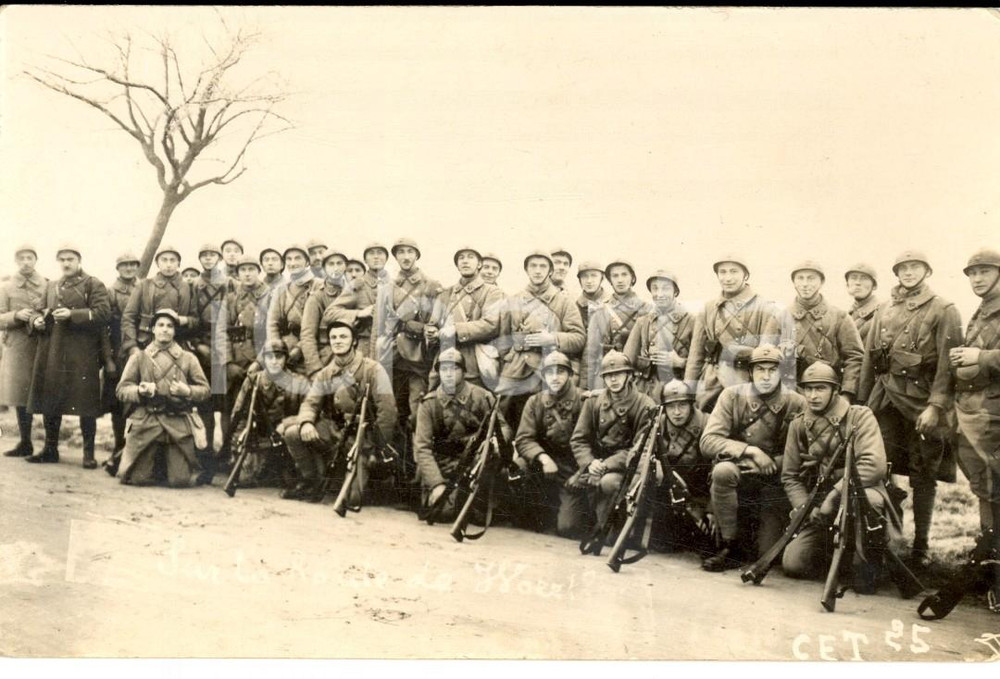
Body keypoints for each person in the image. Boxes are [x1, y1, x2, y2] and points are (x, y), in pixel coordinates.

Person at [858, 250, 963, 567]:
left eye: (914, 267)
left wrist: (936, 406)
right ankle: (888, 537)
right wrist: (863, 407)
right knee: (881, 467)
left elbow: (948, 365)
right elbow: (869, 361)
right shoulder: (885, 309)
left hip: (922, 401)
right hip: (886, 398)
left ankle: (921, 547)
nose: (908, 272)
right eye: (902, 268)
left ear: (927, 271)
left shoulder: (944, 309)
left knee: (923, 475)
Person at [781, 362, 897, 584]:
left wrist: (834, 496)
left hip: (859, 497)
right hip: (819, 503)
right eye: (808, 389)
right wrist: (806, 508)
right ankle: (836, 558)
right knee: (793, 564)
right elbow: (790, 476)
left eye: (821, 388)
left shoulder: (859, 417)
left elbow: (874, 465)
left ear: (835, 390)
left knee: (864, 578)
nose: (813, 396)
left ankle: (867, 559)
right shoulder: (799, 425)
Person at [699, 344, 806, 571]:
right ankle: (729, 544)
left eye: (772, 370)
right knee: (722, 471)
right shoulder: (731, 396)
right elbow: (708, 441)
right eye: (760, 370)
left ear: (781, 373)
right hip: (741, 470)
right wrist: (751, 452)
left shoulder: (796, 402)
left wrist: (773, 464)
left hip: (775, 481)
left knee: (766, 554)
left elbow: (806, 453)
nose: (766, 376)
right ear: (751, 372)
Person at [281, 321, 397, 503]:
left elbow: (387, 412)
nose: (338, 341)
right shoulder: (325, 373)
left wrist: (376, 448)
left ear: (354, 342)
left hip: (362, 438)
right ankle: (312, 480)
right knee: (293, 433)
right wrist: (306, 422)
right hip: (334, 432)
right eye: (333, 337)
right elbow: (310, 403)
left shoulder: (373, 370)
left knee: (352, 499)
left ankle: (371, 481)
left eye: (343, 336)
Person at [25, 245, 111, 468]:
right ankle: (50, 449)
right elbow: (37, 309)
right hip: (53, 350)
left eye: (70, 259)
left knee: (85, 402)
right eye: (62, 259)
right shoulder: (51, 286)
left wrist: (73, 315)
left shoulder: (93, 283)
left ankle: (88, 454)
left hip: (81, 353)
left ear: (79, 260)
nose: (66, 263)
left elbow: (104, 313)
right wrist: (36, 321)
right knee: (50, 399)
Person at [413, 348, 513, 520]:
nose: (449, 374)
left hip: (475, 463)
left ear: (464, 371)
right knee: (443, 513)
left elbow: (503, 426)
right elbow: (422, 448)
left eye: (454, 369)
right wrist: (436, 484)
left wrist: (497, 440)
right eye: (444, 369)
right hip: (443, 465)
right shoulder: (429, 404)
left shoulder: (482, 396)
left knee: (480, 515)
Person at [116, 308, 211, 486]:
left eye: (169, 326)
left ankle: (166, 466)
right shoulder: (139, 357)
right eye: (160, 325)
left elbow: (205, 390)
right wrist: (139, 390)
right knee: (138, 479)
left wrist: (187, 391)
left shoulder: (188, 358)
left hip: (177, 421)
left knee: (180, 480)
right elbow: (122, 390)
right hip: (147, 421)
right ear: (153, 329)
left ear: (175, 331)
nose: (165, 329)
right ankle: (147, 462)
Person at [684, 255, 790, 412]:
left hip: (744, 382)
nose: (728, 278)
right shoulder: (708, 308)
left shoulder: (765, 308)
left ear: (745, 275)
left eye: (734, 272)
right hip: (710, 381)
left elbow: (765, 357)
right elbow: (695, 356)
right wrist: (688, 390)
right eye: (723, 272)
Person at [496, 250, 585, 428]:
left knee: (550, 421)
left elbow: (579, 338)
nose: (538, 271)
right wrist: (508, 360)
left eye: (543, 266)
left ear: (550, 271)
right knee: (501, 412)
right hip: (516, 368)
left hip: (548, 367)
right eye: (533, 266)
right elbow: (503, 340)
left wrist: (552, 339)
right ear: (526, 270)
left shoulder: (564, 302)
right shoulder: (513, 301)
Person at [569, 351, 656, 529]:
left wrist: (606, 465)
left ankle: (625, 526)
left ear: (629, 375)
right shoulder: (594, 402)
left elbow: (639, 449)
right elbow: (579, 439)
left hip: (626, 469)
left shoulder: (645, 405)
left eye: (618, 374)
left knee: (609, 486)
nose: (613, 380)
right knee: (569, 526)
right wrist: (590, 462)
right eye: (608, 376)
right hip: (595, 465)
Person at [949, 249, 1000, 546]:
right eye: (973, 273)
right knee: (984, 484)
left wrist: (979, 357)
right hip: (975, 415)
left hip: (993, 414)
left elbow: (983, 357)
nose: (977, 279)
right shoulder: (981, 312)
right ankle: (989, 552)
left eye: (986, 272)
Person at [385, 238, 442, 475]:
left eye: (410, 252)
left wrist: (412, 326)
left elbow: (435, 324)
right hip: (394, 359)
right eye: (401, 252)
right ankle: (399, 475)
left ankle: (421, 477)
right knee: (394, 414)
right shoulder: (388, 286)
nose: (406, 256)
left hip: (418, 360)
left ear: (417, 255)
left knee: (418, 415)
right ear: (396, 257)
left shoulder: (431, 285)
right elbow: (384, 322)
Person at [514, 351, 586, 537]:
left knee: (568, 528)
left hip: (573, 467)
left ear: (570, 375)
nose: (554, 377)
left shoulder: (584, 401)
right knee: (519, 468)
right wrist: (544, 458)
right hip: (544, 465)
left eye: (560, 372)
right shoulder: (535, 401)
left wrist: (581, 473)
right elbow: (524, 439)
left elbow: (593, 443)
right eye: (549, 373)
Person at [227, 340, 308, 488]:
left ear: (286, 358)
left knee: (290, 480)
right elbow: (238, 413)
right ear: (264, 359)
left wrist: (287, 424)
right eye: (269, 357)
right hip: (258, 436)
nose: (274, 362)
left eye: (279, 357)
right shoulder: (253, 380)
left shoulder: (298, 382)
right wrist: (241, 436)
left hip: (284, 437)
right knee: (244, 479)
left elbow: (308, 414)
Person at [425, 246, 504, 389]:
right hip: (443, 359)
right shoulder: (445, 293)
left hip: (472, 360)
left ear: (479, 264)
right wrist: (430, 332)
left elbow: (491, 324)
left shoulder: (492, 292)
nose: (465, 261)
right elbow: (433, 323)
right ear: (457, 264)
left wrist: (456, 329)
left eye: (470, 257)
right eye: (461, 258)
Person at [784, 261, 864, 399]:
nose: (805, 284)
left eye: (811, 278)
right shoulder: (781, 317)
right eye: (800, 278)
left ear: (821, 282)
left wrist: (846, 394)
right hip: (791, 395)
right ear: (794, 282)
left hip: (829, 393)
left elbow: (855, 358)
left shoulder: (839, 317)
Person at [650, 379, 713, 553]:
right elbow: (636, 454)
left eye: (682, 405)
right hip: (669, 492)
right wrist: (655, 465)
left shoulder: (706, 423)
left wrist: (712, 509)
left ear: (692, 405)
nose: (676, 412)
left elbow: (719, 463)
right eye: (671, 407)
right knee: (662, 545)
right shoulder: (658, 423)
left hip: (700, 494)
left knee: (709, 544)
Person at [191, 243, 237, 469]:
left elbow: (233, 316)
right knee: (205, 403)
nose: (208, 259)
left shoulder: (229, 283)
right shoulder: (194, 285)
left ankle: (226, 454)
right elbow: (191, 316)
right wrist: (198, 346)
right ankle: (206, 452)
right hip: (201, 348)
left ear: (218, 258)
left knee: (226, 404)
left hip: (222, 348)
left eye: (212, 255)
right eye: (204, 255)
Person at [0, 245, 47, 458]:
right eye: (22, 258)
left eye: (30, 257)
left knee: (45, 392)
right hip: (17, 345)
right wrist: (16, 315)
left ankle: (50, 445)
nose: (26, 261)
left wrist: (40, 317)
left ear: (36, 260)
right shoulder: (6, 287)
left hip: (41, 343)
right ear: (16, 261)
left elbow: (51, 310)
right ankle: (25, 442)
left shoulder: (47, 284)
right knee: (20, 394)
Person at [99, 252, 141, 473]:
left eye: (132, 265)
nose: (128, 269)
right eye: (124, 265)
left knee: (137, 400)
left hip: (137, 349)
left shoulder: (143, 287)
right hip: (117, 350)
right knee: (117, 404)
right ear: (118, 268)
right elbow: (104, 329)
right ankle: (118, 445)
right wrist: (108, 359)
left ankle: (134, 449)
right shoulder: (110, 291)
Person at [624, 270, 693, 400]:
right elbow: (626, 361)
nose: (659, 294)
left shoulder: (691, 321)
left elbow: (703, 363)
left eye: (666, 289)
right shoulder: (643, 322)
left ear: (675, 291)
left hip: (677, 392)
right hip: (645, 391)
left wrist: (680, 362)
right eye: (655, 289)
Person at [120, 244, 198, 356]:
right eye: (164, 260)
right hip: (146, 343)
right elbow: (128, 318)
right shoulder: (144, 285)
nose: (169, 265)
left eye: (173, 260)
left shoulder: (188, 287)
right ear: (157, 263)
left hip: (178, 345)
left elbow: (196, 320)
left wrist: (180, 319)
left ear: (179, 263)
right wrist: (132, 346)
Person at [324, 242, 393, 365]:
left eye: (380, 253)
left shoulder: (394, 285)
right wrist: (359, 313)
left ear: (386, 258)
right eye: (371, 253)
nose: (376, 257)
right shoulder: (358, 285)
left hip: (390, 346)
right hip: (365, 346)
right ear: (365, 260)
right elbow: (330, 313)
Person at [585, 259, 649, 390]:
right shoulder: (600, 311)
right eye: (615, 276)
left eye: (624, 274)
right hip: (609, 377)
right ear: (609, 280)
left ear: (632, 278)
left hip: (637, 377)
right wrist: (589, 387)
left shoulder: (646, 309)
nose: (620, 280)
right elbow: (591, 354)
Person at [266, 244, 319, 375]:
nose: (293, 263)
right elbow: (272, 323)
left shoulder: (318, 285)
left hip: (312, 348)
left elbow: (321, 322)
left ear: (307, 261)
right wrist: (278, 351)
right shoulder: (281, 289)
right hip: (286, 351)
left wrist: (300, 348)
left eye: (297, 258)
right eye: (289, 259)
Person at [299, 249, 348, 376]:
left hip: (351, 355)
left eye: (339, 263)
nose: (335, 268)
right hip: (327, 355)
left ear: (346, 266)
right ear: (324, 268)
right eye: (331, 264)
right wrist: (315, 369)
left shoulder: (354, 292)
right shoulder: (316, 297)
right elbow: (307, 335)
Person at [574, 260, 610, 389]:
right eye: (584, 276)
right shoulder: (574, 306)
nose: (589, 281)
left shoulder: (612, 304)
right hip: (581, 365)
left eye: (593, 275)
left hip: (607, 363)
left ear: (602, 278)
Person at [845, 263, 880, 346]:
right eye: (853, 278)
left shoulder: (881, 313)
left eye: (864, 278)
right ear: (847, 284)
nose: (857, 283)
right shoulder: (847, 314)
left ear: (874, 286)